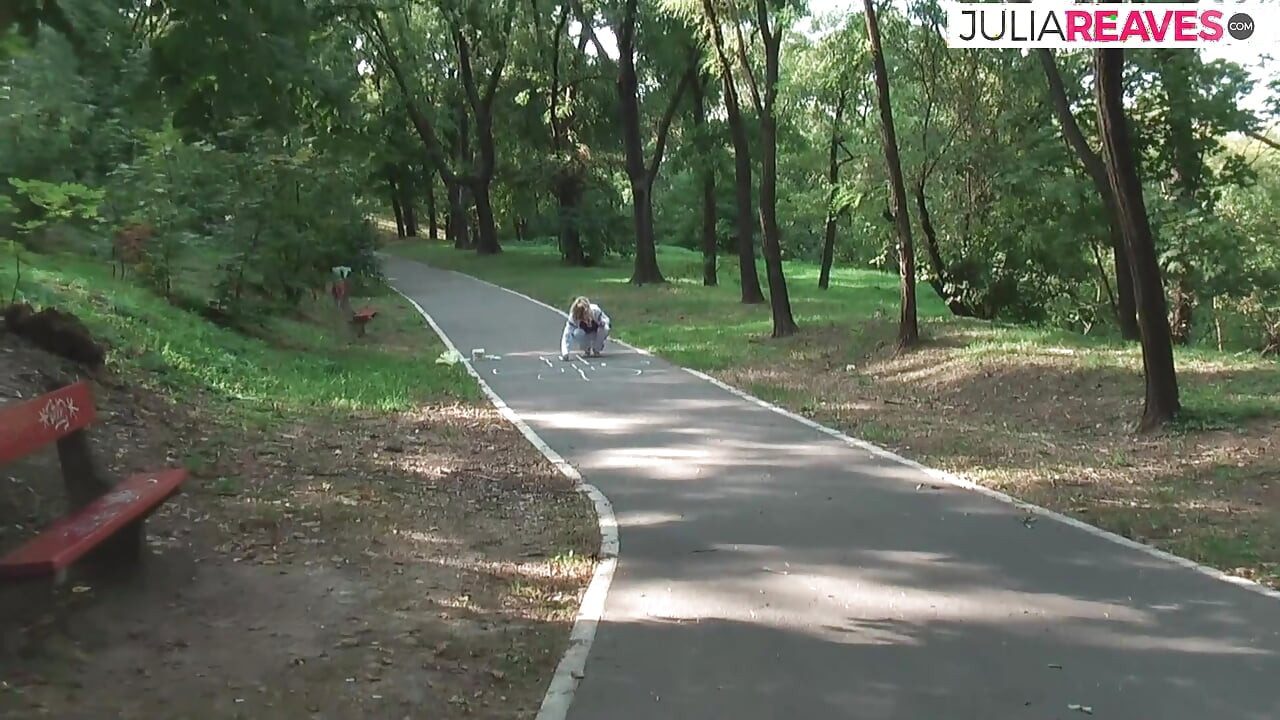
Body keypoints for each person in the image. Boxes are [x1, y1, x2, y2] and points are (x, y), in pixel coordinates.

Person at [560, 296, 611, 360]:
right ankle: (586, 349)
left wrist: (603, 322)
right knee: (577, 333)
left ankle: (597, 349)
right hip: (584, 333)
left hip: (596, 332)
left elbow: (607, 321)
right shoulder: (573, 318)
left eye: (585, 313)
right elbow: (567, 335)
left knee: (605, 328)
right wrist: (565, 353)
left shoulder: (596, 310)